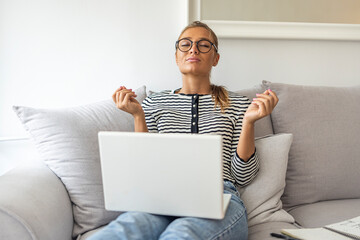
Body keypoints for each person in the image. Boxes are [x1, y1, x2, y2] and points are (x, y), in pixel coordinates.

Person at [89, 21, 278, 240]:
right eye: (185, 44)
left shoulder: (238, 104)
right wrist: (138, 116)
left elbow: (243, 176)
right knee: (126, 228)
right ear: (177, 56)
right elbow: (145, 169)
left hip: (218, 195)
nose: (194, 49)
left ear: (215, 58)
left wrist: (249, 122)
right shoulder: (153, 102)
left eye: (204, 44)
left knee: (182, 234)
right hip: (161, 198)